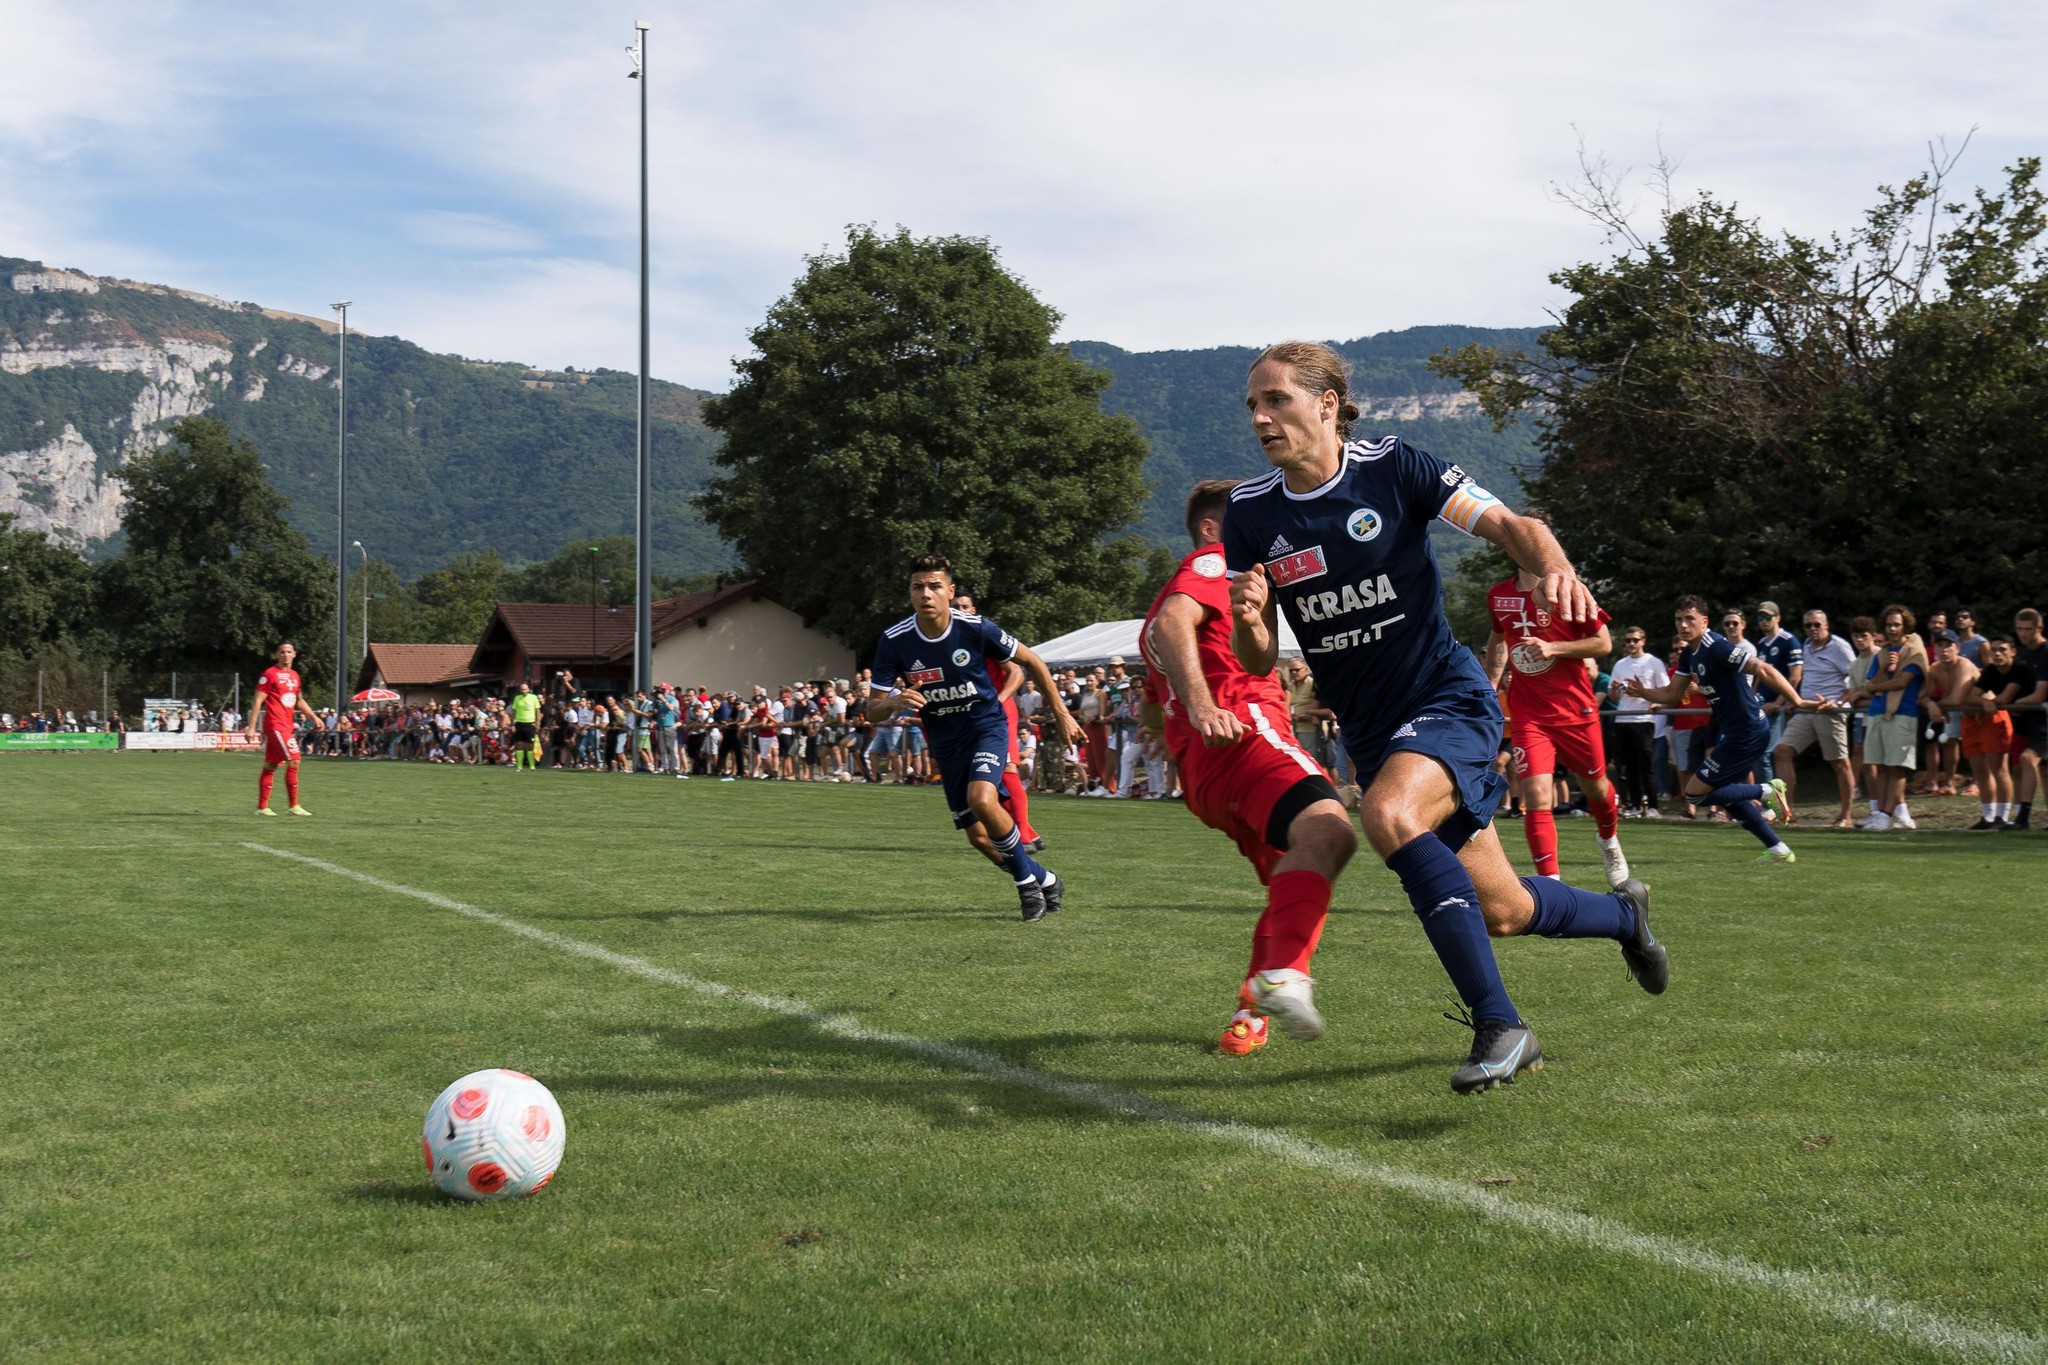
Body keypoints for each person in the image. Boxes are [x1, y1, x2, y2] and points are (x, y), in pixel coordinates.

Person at [1224, 342, 1665, 1095]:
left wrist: (1555, 563)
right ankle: (1626, 917)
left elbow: (1508, 525)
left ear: (1327, 403)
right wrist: (1255, 620)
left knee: (1388, 812)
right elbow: (1258, 658)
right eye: (1253, 406)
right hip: (1372, 728)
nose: (1261, 417)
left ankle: (1501, 1023)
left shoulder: (1397, 467)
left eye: (1278, 400)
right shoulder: (1249, 512)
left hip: (1446, 700)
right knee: (1505, 908)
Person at [1142, 479, 1357, 1056]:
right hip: (1244, 737)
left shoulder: (1170, 600)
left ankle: (1250, 1015)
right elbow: (1173, 621)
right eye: (1248, 523)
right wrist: (1204, 704)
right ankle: (1284, 975)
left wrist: (1170, 728)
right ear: (1214, 529)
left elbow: (1148, 688)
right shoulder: (1213, 561)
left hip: (1207, 774)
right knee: (1330, 831)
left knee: (1295, 875)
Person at [868, 555, 1082, 921]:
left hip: (986, 727)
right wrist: (893, 701)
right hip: (946, 742)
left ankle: (1026, 888)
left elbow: (1032, 661)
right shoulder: (894, 640)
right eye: (918, 586)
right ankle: (1044, 878)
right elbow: (871, 710)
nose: (926, 594)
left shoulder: (976, 628)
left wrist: (1061, 712)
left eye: (935, 586)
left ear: (950, 592)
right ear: (910, 593)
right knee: (979, 839)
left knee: (982, 798)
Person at [1625, 596, 1809, 859]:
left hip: (1748, 730)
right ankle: (1778, 849)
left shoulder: (1716, 647)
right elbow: (1671, 694)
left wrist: (1797, 700)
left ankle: (1767, 790)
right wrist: (1644, 692)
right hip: (1734, 731)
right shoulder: (1690, 653)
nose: (1684, 625)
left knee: (1696, 794)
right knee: (1725, 796)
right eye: (1679, 619)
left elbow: (1764, 669)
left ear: (1704, 621)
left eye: (1690, 619)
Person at [1485, 558, 1629, 887]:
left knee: (1596, 787)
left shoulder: (1571, 593)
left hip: (1574, 711)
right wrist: (1488, 687)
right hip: (1529, 713)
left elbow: (1603, 643)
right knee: (1535, 794)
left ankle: (1608, 840)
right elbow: (1497, 640)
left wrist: (1553, 647)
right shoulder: (1498, 596)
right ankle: (1551, 886)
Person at [954, 591, 1044, 849]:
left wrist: (1000, 698)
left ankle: (1024, 838)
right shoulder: (950, 640)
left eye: (965, 606)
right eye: (956, 606)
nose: (960, 609)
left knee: (1007, 771)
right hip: (974, 715)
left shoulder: (984, 634)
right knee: (989, 778)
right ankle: (1029, 832)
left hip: (998, 712)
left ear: (974, 609)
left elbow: (1017, 671)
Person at [1842, 605, 1927, 830]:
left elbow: (1902, 682)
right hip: (1878, 712)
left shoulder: (1914, 650)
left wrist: (1875, 687)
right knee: (1879, 765)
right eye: (1889, 625)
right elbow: (1872, 684)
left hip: (1902, 713)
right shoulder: (1883, 652)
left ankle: (1886, 814)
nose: (1892, 629)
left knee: (1896, 766)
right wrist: (1884, 668)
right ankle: (1887, 813)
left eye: (1897, 624)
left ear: (1906, 626)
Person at [1773, 609, 1859, 828]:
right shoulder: (1806, 647)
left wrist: (1838, 703)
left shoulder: (1839, 647)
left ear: (1826, 625)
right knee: (1782, 751)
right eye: (1808, 626)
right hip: (1806, 709)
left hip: (1830, 711)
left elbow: (1856, 679)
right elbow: (1805, 677)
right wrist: (1794, 700)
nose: (1812, 629)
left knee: (1839, 763)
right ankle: (1786, 812)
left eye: (1817, 625)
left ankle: (1846, 816)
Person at [246, 640, 319, 816]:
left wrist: (314, 717)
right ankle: (294, 806)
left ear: (294, 654)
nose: (286, 655)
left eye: (289, 652)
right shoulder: (270, 674)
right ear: (277, 655)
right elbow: (258, 699)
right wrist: (251, 726)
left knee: (271, 765)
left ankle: (262, 808)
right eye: (282, 652)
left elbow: (299, 700)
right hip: (275, 724)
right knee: (294, 759)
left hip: (286, 725)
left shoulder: (295, 676)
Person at [1965, 637, 2030, 827]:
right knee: (2014, 769)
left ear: (2013, 651)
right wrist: (1985, 701)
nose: (1997, 654)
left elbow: (2005, 697)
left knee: (2017, 769)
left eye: (2002, 649)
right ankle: (1993, 817)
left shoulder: (2020, 668)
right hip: (2018, 720)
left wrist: (1989, 701)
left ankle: (2007, 816)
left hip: (2035, 720)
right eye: (1993, 650)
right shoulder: (1991, 670)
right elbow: (1972, 695)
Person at [1606, 626, 1668, 817]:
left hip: (1643, 719)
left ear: (1643, 641)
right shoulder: (1620, 664)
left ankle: (1653, 806)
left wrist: (1657, 704)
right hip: (1623, 719)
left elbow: (1665, 690)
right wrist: (1615, 689)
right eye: (1628, 640)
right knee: (1627, 766)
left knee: (1646, 764)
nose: (1631, 644)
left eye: (1635, 640)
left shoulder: (1654, 662)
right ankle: (1634, 805)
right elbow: (1613, 696)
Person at [1750, 602, 1803, 783]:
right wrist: (1752, 697)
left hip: (1776, 708)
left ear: (1777, 618)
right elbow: (1758, 676)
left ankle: (1772, 804)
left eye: (1768, 617)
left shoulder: (1788, 640)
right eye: (1760, 617)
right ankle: (1765, 801)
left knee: (1767, 753)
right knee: (1757, 752)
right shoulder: (1762, 643)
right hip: (1761, 706)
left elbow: (1795, 676)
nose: (1764, 621)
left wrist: (1778, 703)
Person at [507, 683, 542, 772]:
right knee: (519, 745)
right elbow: (513, 711)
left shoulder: (533, 698)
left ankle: (532, 766)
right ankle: (519, 766)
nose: (524, 691)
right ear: (520, 690)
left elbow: (537, 711)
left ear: (528, 689)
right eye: (522, 690)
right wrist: (512, 724)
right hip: (519, 723)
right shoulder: (517, 698)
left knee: (529, 746)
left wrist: (537, 723)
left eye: (525, 689)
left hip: (530, 724)